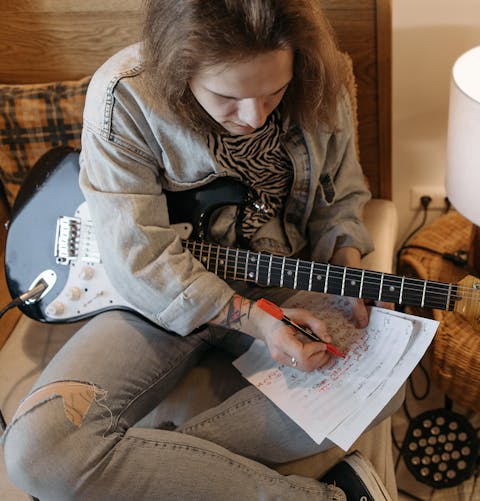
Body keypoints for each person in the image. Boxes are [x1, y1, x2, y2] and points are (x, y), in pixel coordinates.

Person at [3, 0, 400, 499]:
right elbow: (141, 258)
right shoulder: (124, 96)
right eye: (228, 97)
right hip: (155, 294)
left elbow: (339, 200)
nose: (254, 117)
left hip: (282, 277)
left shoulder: (325, 77)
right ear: (179, 69)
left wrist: (349, 263)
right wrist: (254, 320)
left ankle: (149, 474)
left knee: (387, 379)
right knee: (36, 451)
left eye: (274, 92)